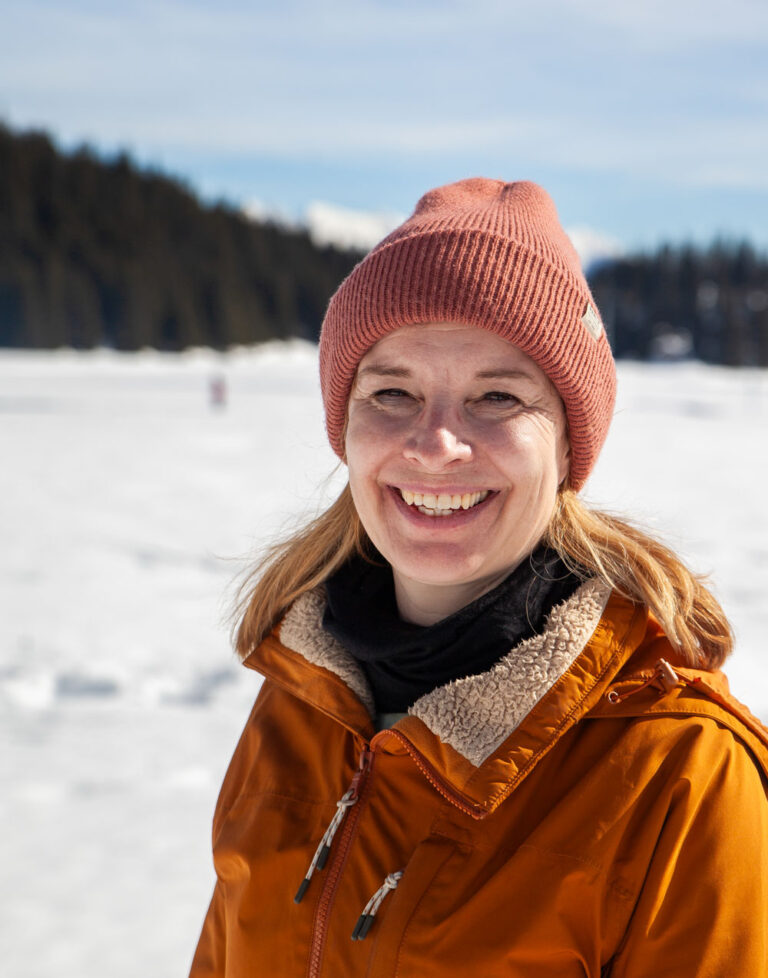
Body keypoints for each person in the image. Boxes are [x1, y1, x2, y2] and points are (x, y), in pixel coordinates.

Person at [189, 179, 768, 978]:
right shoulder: (302, 701)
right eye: (392, 392)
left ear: (567, 446)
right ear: (344, 427)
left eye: (497, 396)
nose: (436, 444)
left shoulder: (680, 773)